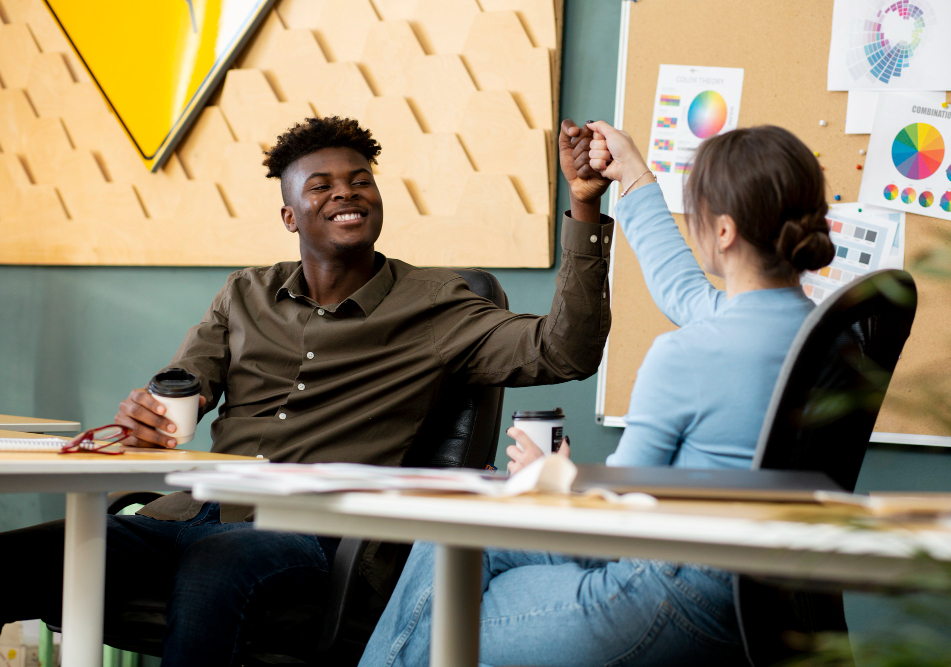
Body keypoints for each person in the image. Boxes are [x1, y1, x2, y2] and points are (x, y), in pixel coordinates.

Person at [0, 116, 614, 666]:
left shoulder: (438, 306)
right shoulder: (246, 294)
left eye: (361, 180)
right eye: (320, 185)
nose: (346, 191)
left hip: (311, 536)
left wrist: (584, 209)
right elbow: (185, 385)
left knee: (218, 566)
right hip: (187, 515)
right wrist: (149, 413)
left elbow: (564, 350)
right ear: (290, 215)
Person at [358, 122, 836, 667]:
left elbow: (615, 530)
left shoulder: (688, 354)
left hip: (667, 592)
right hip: (764, 595)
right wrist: (632, 173)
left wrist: (554, 481)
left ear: (722, 232)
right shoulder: (824, 334)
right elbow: (679, 289)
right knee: (460, 531)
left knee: (441, 615)